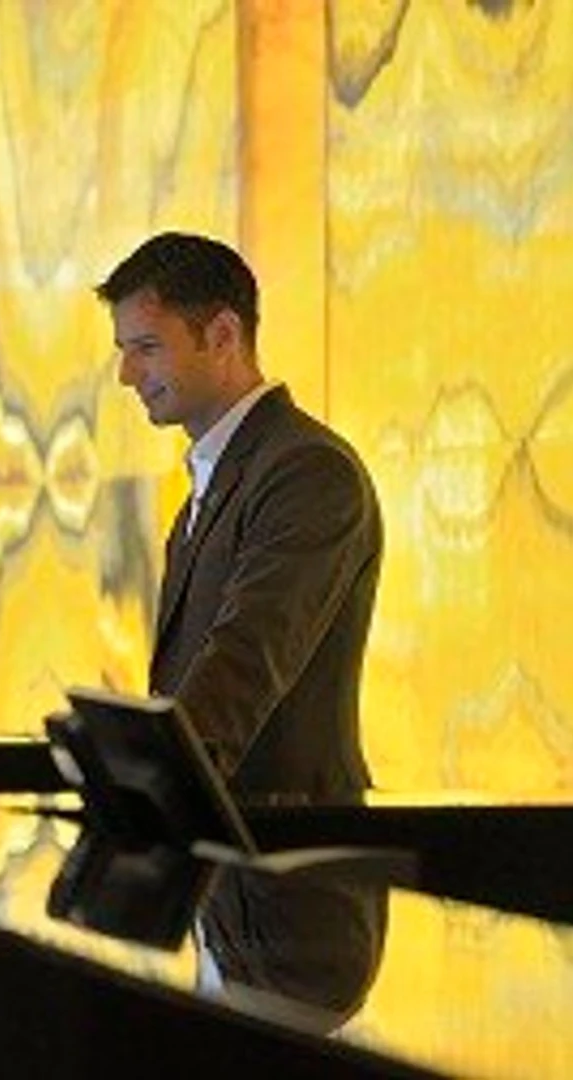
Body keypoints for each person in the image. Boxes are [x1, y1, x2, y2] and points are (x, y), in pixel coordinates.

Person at [97, 232, 383, 799]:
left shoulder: (307, 470)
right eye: (124, 350)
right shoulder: (213, 480)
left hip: (289, 861)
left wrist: (151, 787)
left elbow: (246, 659)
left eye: (147, 346)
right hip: (232, 854)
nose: (127, 374)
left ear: (224, 334)